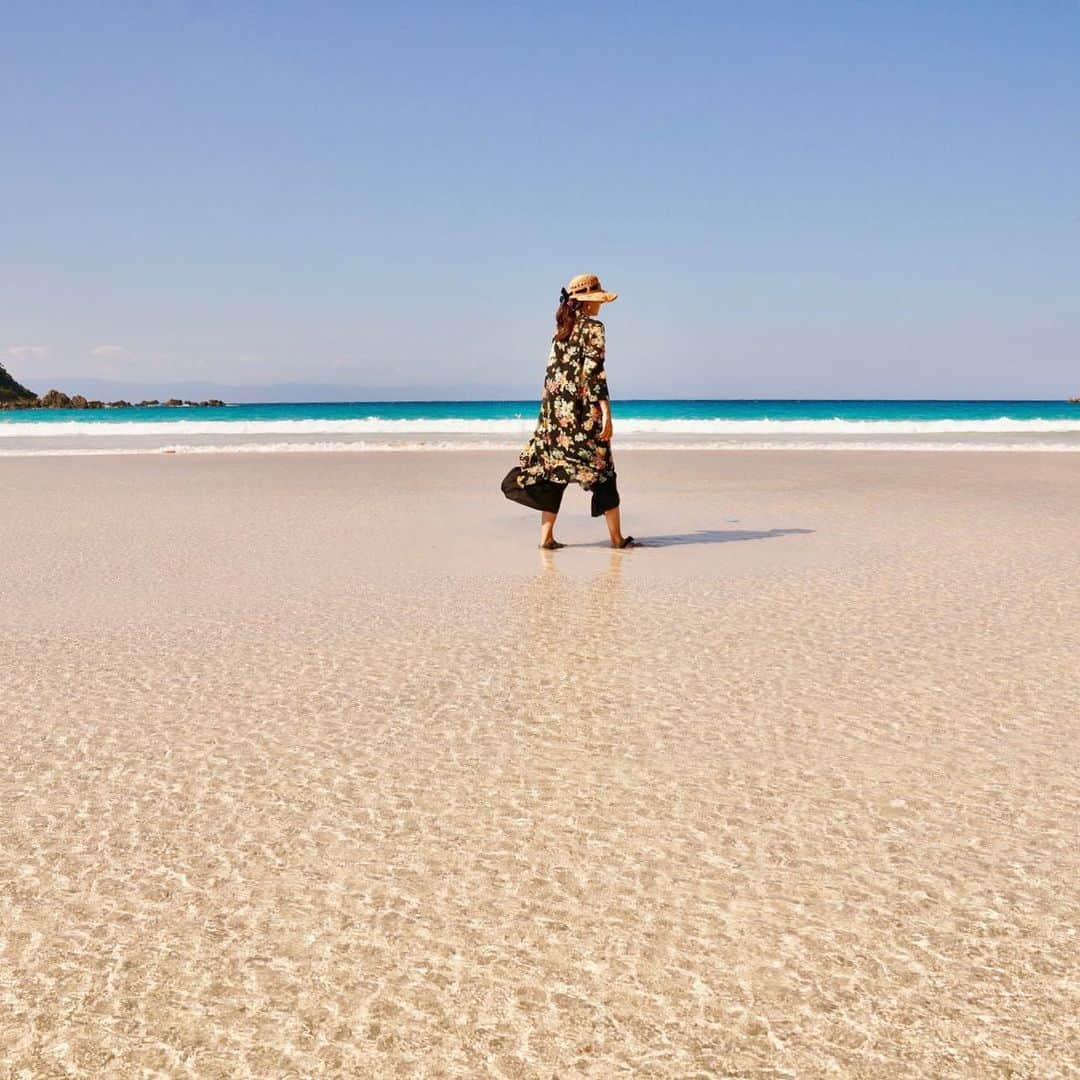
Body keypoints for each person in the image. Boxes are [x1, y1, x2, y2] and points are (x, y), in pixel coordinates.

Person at [502, 273, 636, 550]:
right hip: (583, 413)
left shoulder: (561, 330)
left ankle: (546, 538)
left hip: (555, 415)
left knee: (554, 473)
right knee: (603, 472)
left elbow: (552, 376)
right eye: (597, 299)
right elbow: (595, 375)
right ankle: (616, 538)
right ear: (587, 302)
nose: (600, 305)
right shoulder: (594, 328)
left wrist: (548, 418)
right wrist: (607, 416)